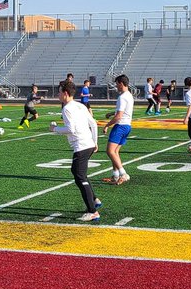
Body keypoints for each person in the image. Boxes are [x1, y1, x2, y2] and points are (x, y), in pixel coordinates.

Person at [51, 79, 101, 222]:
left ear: (65, 93)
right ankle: (94, 200)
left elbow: (70, 129)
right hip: (88, 144)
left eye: (59, 92)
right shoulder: (80, 105)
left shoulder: (66, 108)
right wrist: (95, 142)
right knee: (79, 173)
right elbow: (93, 124)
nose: (58, 95)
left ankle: (93, 211)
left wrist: (54, 129)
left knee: (79, 176)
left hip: (81, 145)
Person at [102, 74, 134, 185]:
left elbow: (119, 116)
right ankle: (115, 176)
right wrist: (112, 113)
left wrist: (107, 125)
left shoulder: (122, 97)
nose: (116, 86)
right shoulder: (129, 95)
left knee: (110, 151)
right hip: (127, 126)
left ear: (121, 83)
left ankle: (123, 174)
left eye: (117, 84)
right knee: (115, 152)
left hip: (120, 126)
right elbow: (123, 111)